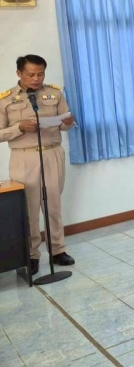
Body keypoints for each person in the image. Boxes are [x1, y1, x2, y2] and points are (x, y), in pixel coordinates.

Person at [0, 55, 76, 275]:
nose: (36, 78)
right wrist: (19, 128)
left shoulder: (54, 93)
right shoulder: (5, 100)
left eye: (40, 74)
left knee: (53, 204)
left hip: (52, 153)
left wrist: (68, 123)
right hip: (24, 157)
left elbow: (65, 124)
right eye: (31, 74)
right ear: (19, 73)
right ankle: (31, 255)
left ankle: (58, 250)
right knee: (29, 208)